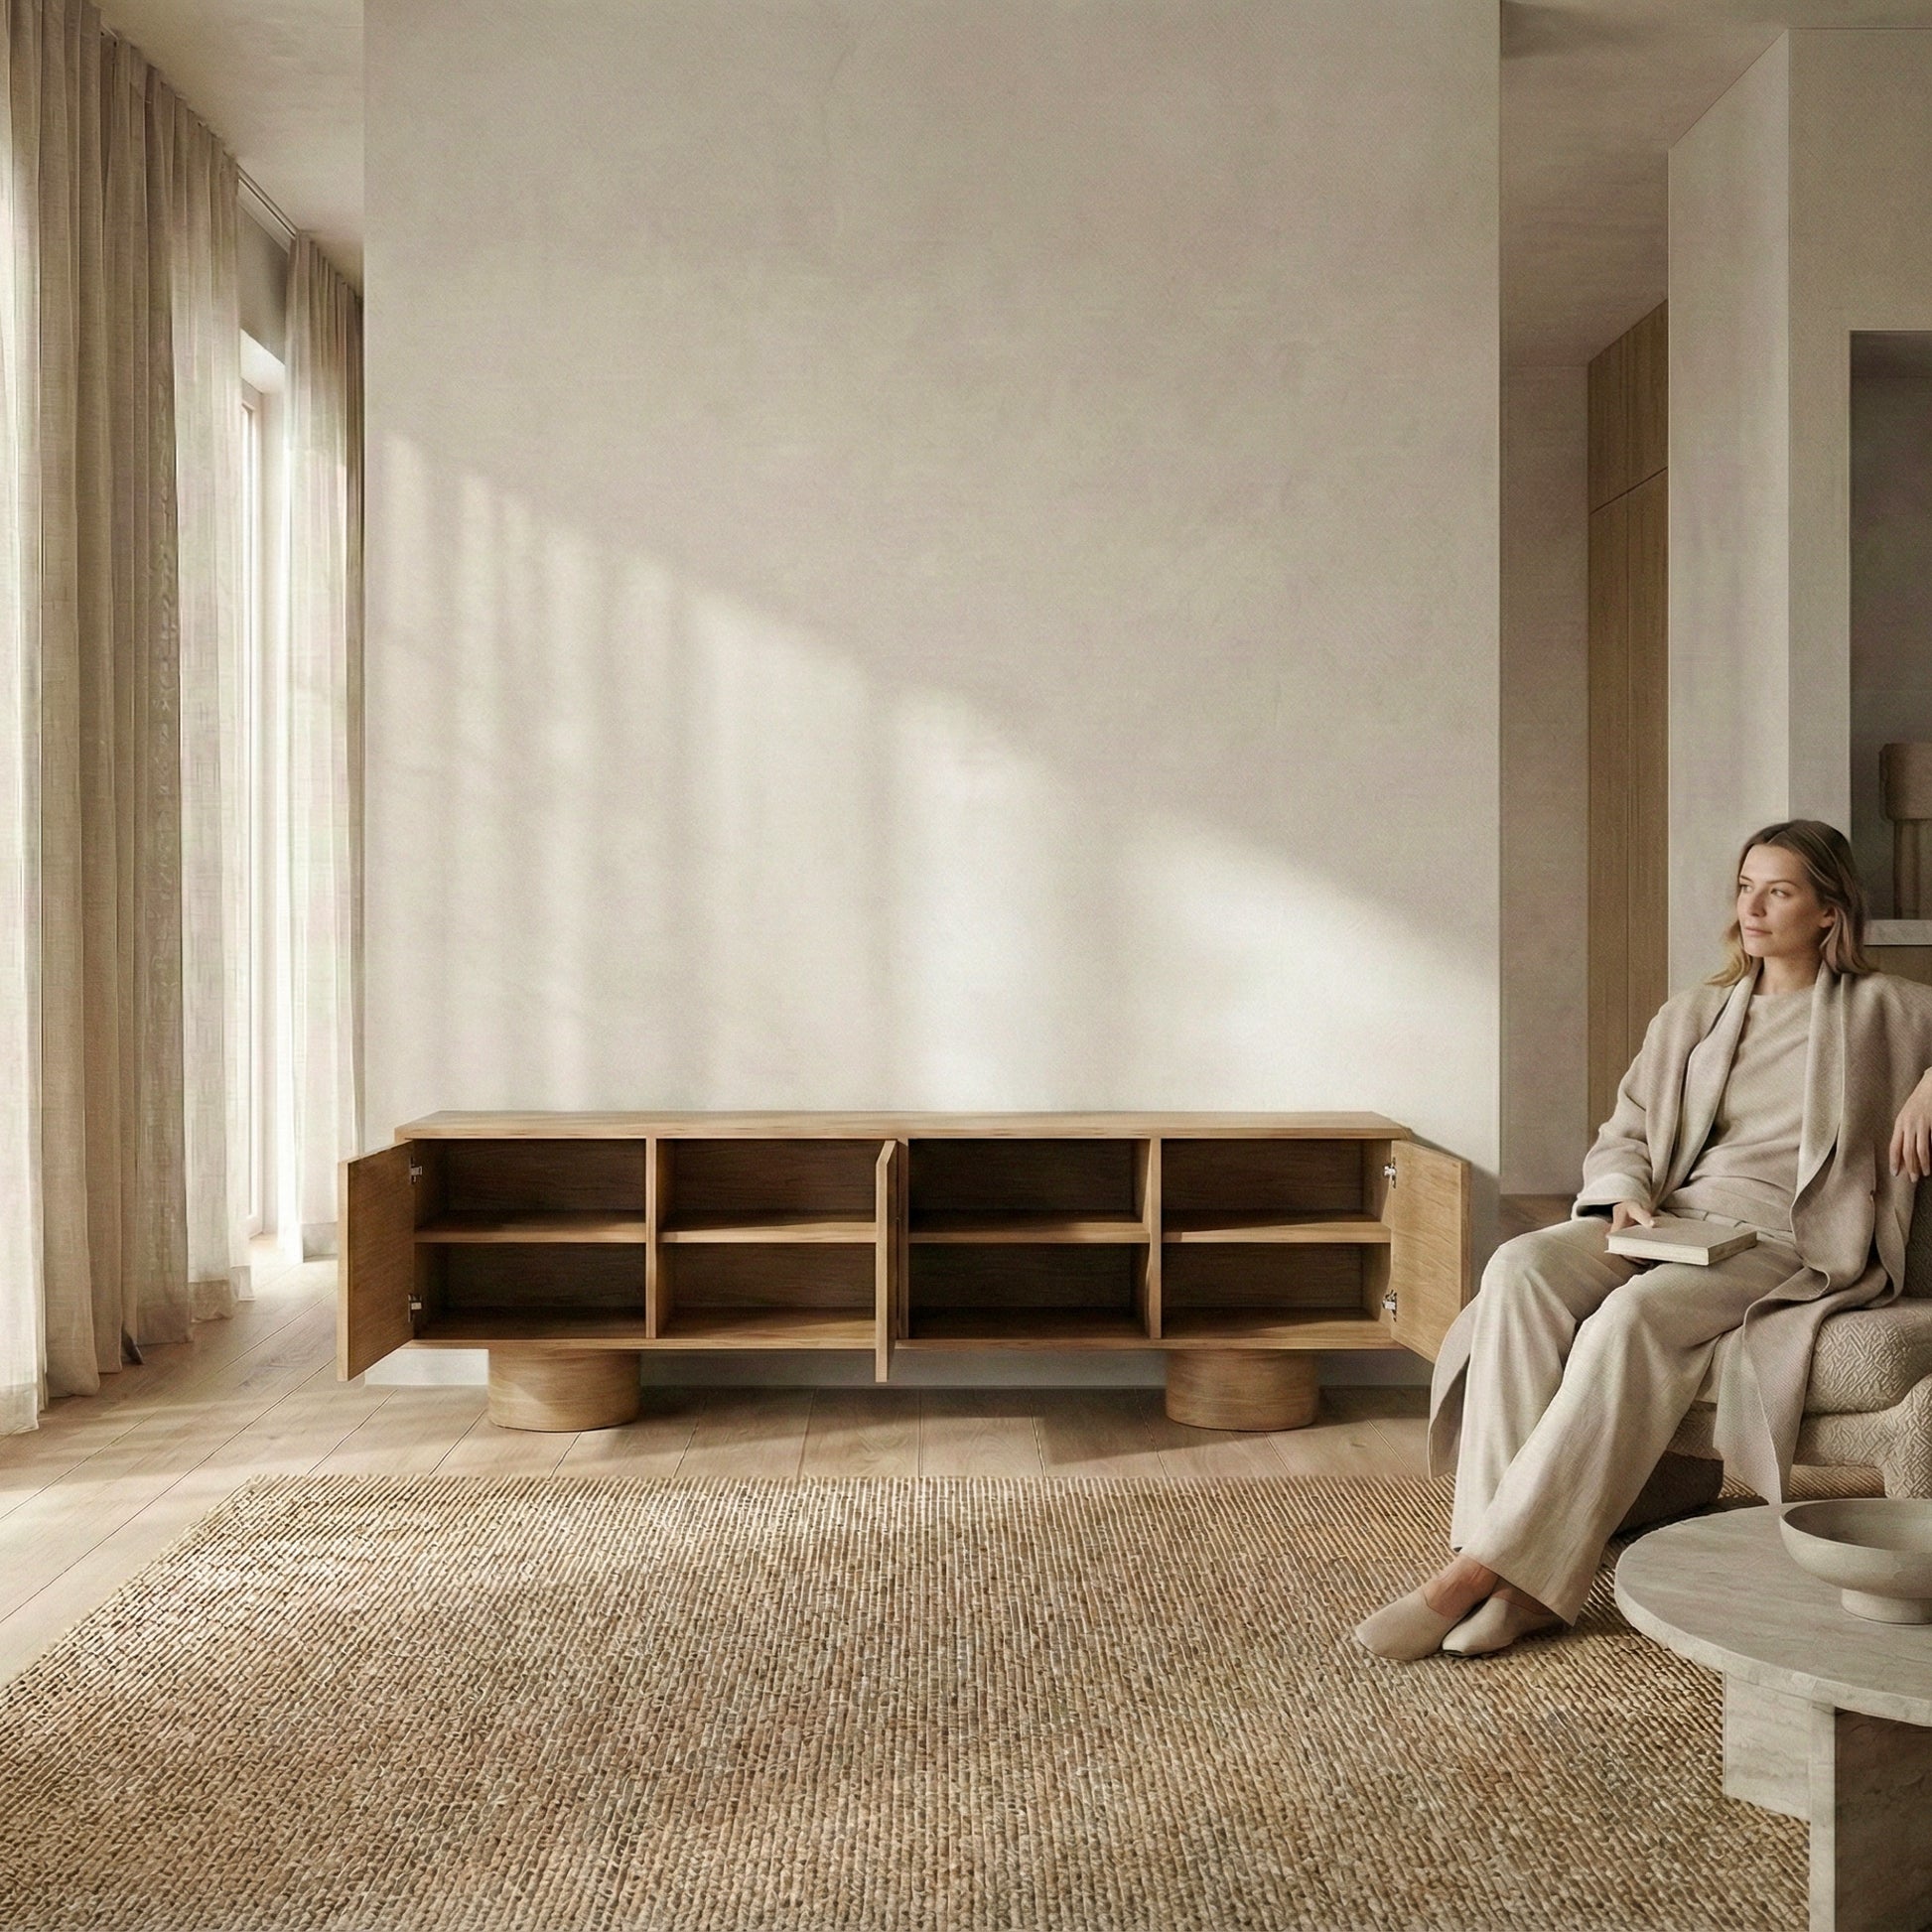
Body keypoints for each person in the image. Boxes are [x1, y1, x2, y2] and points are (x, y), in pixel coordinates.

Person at [1355, 819, 1932, 1661]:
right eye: (1746, 887)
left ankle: (1478, 1583)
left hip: (1786, 1238)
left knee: (1629, 1320)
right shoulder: (1693, 1014)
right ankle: (1501, 1562)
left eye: (1778, 892)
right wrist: (1625, 1191)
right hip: (1671, 1218)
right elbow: (1626, 1131)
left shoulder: (1894, 1010)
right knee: (1519, 1266)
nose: (1752, 909)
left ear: (1828, 912)